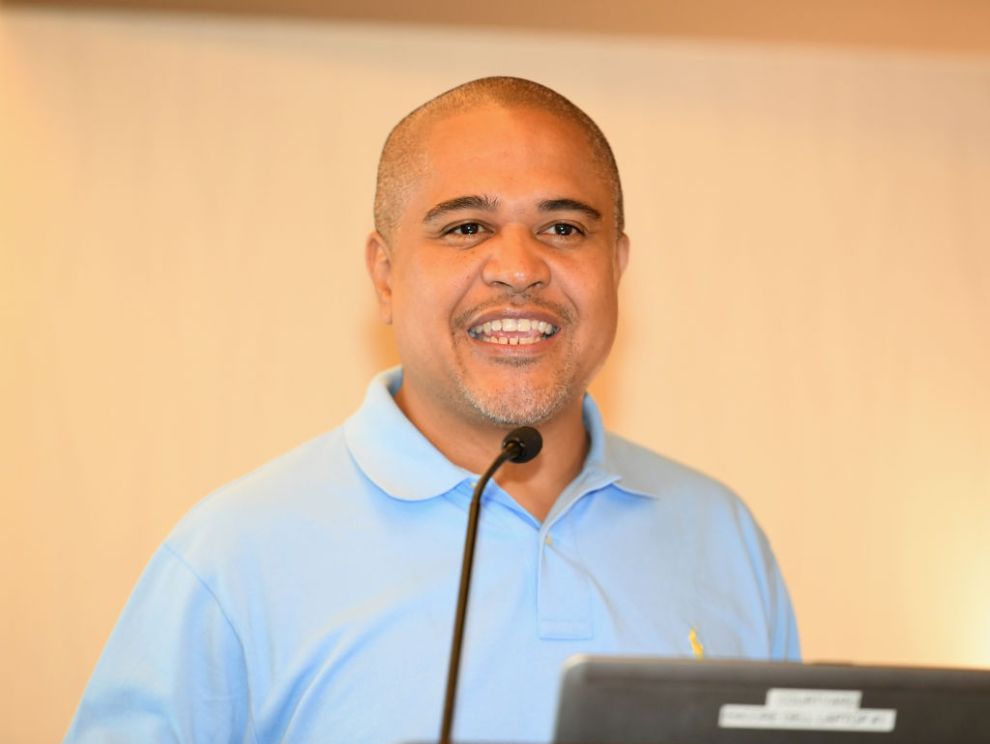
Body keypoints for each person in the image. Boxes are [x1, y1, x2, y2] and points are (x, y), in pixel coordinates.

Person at [65, 76, 799, 744]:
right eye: (465, 228)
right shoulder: (233, 555)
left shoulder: (721, 535)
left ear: (617, 266)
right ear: (385, 276)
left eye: (565, 228)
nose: (518, 268)